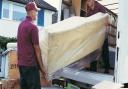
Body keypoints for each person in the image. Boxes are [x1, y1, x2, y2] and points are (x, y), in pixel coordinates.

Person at [17, 2, 49, 89]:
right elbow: (37, 50)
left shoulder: (21, 25)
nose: (37, 14)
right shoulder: (33, 27)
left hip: (22, 65)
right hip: (31, 65)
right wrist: (42, 68)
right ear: (31, 11)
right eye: (36, 11)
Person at [83, 0, 110, 73]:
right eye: (87, 2)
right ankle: (93, 68)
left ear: (92, 0)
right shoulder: (89, 11)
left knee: (104, 50)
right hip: (95, 34)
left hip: (103, 32)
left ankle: (107, 68)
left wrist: (105, 32)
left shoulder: (100, 7)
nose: (87, 4)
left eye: (88, 1)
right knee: (93, 50)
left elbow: (106, 18)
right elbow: (87, 22)